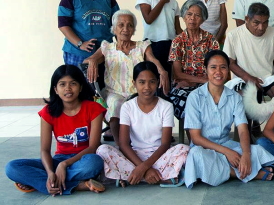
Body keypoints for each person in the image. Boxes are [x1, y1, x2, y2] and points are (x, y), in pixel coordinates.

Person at [5, 65, 106, 195]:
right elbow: (45, 150)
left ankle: (41, 183)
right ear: (55, 89)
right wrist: (50, 172)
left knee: (95, 163)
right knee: (12, 168)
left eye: (73, 84)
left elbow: (93, 147)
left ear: (80, 87)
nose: (68, 88)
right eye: (62, 84)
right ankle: (77, 185)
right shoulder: (48, 112)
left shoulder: (94, 109)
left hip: (83, 159)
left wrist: (64, 165)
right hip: (57, 160)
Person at [184, 50, 274, 188]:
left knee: (256, 150)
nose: (218, 72)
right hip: (204, 148)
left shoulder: (234, 97)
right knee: (196, 155)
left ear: (228, 70)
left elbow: (242, 130)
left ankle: (224, 169)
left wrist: (245, 154)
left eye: (223, 67)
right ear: (206, 70)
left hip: (226, 143)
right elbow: (196, 138)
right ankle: (242, 173)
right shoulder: (194, 97)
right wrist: (227, 152)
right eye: (213, 67)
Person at [96, 61, 190, 187]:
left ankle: (131, 177)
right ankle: (159, 177)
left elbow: (165, 144)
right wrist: (143, 167)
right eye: (142, 82)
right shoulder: (127, 107)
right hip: (134, 156)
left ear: (157, 83)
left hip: (159, 156)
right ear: (134, 83)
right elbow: (123, 144)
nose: (147, 87)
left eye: (152, 82)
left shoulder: (166, 106)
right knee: (103, 150)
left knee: (184, 149)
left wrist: (143, 167)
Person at [83, 10, 169, 144]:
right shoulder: (107, 48)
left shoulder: (142, 46)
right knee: (116, 103)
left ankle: (145, 143)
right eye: (121, 25)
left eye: (130, 25)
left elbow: (152, 60)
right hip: (114, 93)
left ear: (134, 29)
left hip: (138, 92)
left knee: (142, 102)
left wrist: (162, 71)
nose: (125, 29)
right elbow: (87, 61)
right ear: (114, 28)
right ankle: (122, 146)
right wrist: (93, 60)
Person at [168, 0, 219, 120]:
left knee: (211, 102)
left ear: (203, 19)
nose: (192, 18)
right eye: (189, 14)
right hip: (185, 85)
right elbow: (178, 73)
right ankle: (194, 138)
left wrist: (201, 82)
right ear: (184, 17)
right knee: (187, 103)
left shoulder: (210, 40)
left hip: (208, 84)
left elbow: (216, 67)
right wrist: (200, 80)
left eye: (197, 15)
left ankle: (210, 136)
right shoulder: (178, 41)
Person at [224, 3, 274, 98]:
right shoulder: (233, 35)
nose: (261, 28)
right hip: (243, 79)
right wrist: (248, 78)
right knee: (244, 98)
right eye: (256, 23)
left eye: (265, 22)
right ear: (247, 19)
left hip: (268, 79)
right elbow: (230, 62)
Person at [135, 0, 182, 82]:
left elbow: (177, 28)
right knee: (154, 79)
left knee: (169, 79)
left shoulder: (174, 3)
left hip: (170, 45)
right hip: (153, 45)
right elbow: (148, 19)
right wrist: (161, 1)